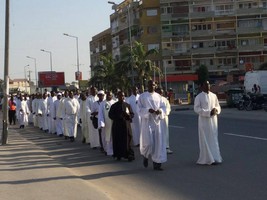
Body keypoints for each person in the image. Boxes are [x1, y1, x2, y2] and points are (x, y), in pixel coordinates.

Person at [138, 80, 167, 171]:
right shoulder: (142, 96)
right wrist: (147, 110)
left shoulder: (159, 97)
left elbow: (163, 107)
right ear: (147, 85)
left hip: (157, 122)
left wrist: (160, 111)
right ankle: (146, 156)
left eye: (153, 85)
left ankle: (157, 163)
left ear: (155, 86)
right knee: (149, 143)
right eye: (150, 85)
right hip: (147, 122)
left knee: (158, 143)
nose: (152, 86)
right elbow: (139, 109)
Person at [194, 81, 222, 165]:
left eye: (209, 84)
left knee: (213, 138)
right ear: (202, 86)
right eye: (206, 84)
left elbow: (218, 106)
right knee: (205, 138)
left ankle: (215, 157)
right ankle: (207, 158)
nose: (208, 85)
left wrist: (216, 110)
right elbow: (196, 109)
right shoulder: (199, 97)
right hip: (204, 121)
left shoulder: (214, 95)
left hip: (213, 121)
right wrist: (208, 112)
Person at [109, 91, 135, 161]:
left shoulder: (127, 105)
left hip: (126, 126)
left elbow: (132, 114)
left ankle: (129, 154)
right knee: (118, 140)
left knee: (128, 139)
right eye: (120, 96)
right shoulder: (114, 106)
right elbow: (110, 115)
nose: (122, 97)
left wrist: (129, 116)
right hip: (117, 126)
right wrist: (118, 116)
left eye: (123, 96)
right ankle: (118, 155)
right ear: (117, 96)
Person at [98, 91, 116, 156]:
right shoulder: (103, 104)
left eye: (110, 95)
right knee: (106, 137)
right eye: (107, 95)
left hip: (114, 123)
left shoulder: (115, 102)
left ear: (112, 96)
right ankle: (107, 150)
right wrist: (102, 123)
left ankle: (114, 150)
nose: (108, 96)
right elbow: (100, 114)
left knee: (113, 137)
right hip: (106, 123)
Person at [156, 87, 173, 154]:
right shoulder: (154, 99)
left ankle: (166, 147)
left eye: (161, 92)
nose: (160, 93)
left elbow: (168, 108)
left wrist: (163, 112)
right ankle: (158, 148)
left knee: (165, 132)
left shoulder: (165, 99)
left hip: (164, 118)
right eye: (159, 92)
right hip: (156, 119)